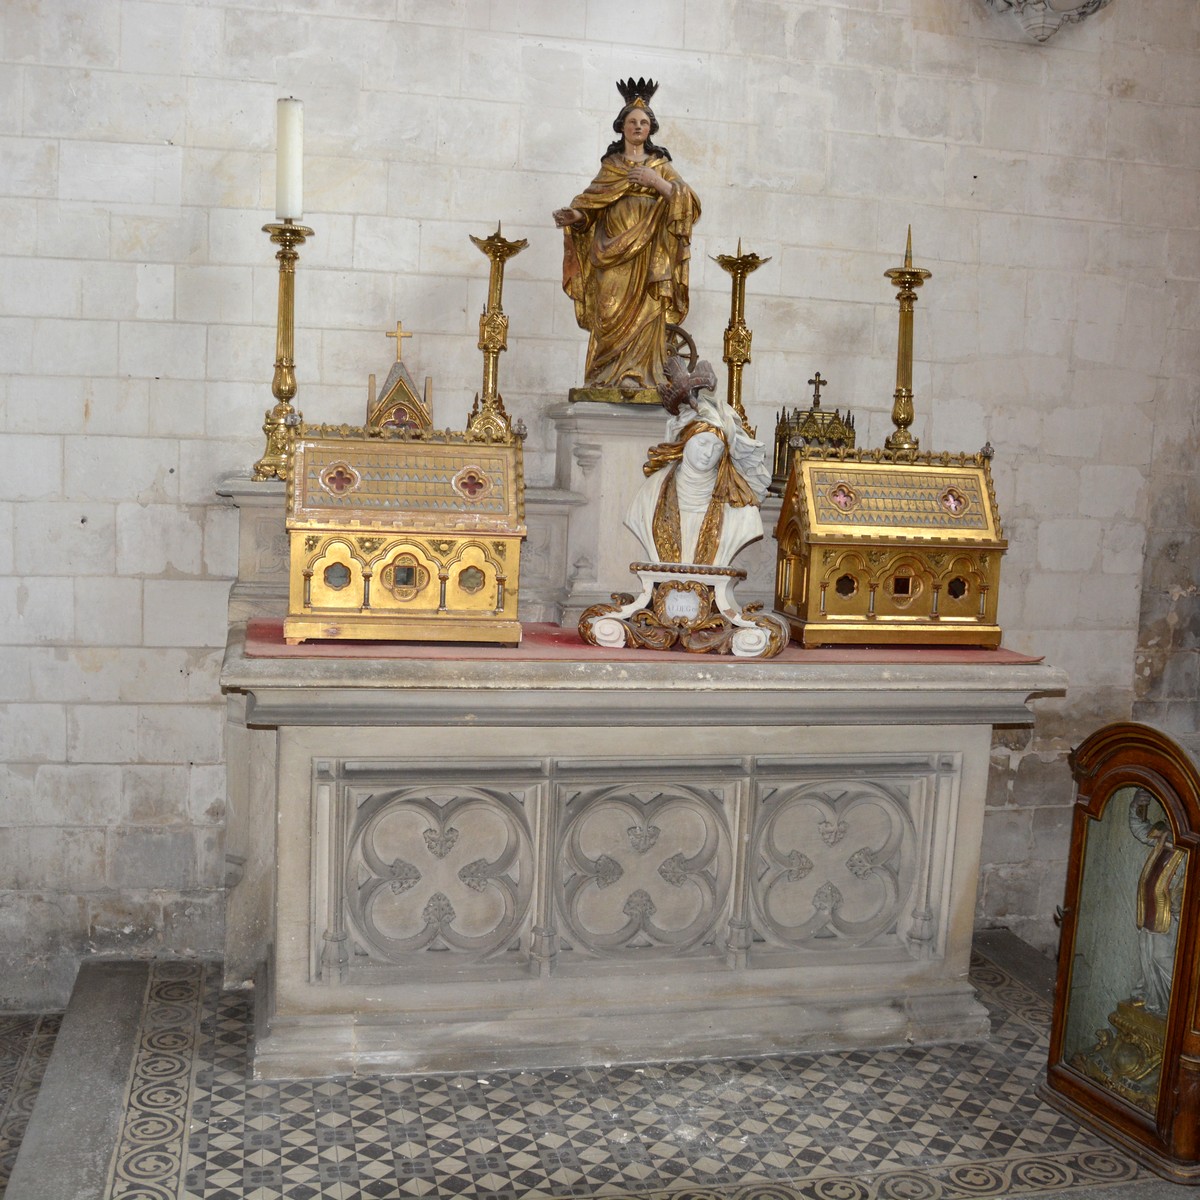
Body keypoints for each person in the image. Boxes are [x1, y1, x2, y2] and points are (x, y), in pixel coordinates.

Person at [553, 78, 701, 391]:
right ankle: (605, 377)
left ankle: (640, 377)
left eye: (644, 122)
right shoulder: (612, 166)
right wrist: (575, 216)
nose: (638, 127)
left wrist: (655, 182)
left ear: (651, 129)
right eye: (632, 121)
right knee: (607, 313)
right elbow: (591, 204)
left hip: (649, 257)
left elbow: (689, 201)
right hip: (611, 257)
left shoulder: (659, 165)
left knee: (647, 315)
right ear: (622, 127)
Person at [625, 357, 770, 567]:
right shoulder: (649, 495)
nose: (708, 453)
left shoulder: (740, 507)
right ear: (684, 441)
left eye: (717, 447)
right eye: (702, 443)